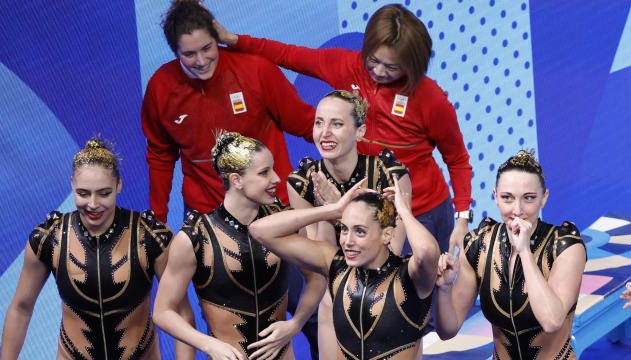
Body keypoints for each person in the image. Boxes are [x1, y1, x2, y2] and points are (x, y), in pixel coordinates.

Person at [214, 3, 473, 254]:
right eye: (373, 60)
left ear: (411, 63)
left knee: (417, 295)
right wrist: (233, 39)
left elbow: (458, 159)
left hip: (421, 212)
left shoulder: (432, 99)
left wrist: (462, 218)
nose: (379, 72)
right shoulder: (347, 66)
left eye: (392, 67)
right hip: (366, 213)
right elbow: (288, 54)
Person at [0, 138, 194, 360]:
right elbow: (21, 308)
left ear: (119, 184)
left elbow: (182, 313)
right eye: (83, 193)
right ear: (72, 184)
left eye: (104, 193)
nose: (92, 204)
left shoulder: (151, 236)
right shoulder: (48, 238)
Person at [153, 131, 326, 360]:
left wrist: (295, 324)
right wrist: (208, 344)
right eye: (264, 172)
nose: (276, 178)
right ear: (237, 180)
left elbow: (317, 277)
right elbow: (162, 312)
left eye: (272, 169)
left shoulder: (285, 223)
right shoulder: (196, 237)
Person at [142, 0, 315, 223]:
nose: (201, 61)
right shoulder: (160, 88)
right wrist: (158, 220)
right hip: (207, 217)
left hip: (273, 207)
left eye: (207, 48)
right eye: (189, 54)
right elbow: (160, 156)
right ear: (175, 52)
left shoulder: (255, 70)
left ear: (217, 38)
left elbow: (306, 123)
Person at [248, 176, 440, 359]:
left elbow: (425, 250)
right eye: (345, 229)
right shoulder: (336, 265)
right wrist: (333, 210)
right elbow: (259, 230)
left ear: (387, 235)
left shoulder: (409, 276)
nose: (347, 241)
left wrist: (404, 211)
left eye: (360, 231)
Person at [287, 88, 411, 358]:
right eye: (319, 122)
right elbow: (323, 264)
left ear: (360, 132)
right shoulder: (303, 183)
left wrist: (341, 208)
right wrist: (329, 211)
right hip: (334, 297)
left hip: (385, 295)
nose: (325, 132)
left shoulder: (389, 174)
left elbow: (390, 257)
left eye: (337, 124)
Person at [435, 150, 587, 359]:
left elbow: (552, 321)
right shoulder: (478, 245)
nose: (517, 210)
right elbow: (447, 331)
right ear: (495, 197)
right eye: (507, 198)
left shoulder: (564, 246)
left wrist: (524, 251)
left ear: (544, 198)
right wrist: (443, 289)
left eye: (529, 198)